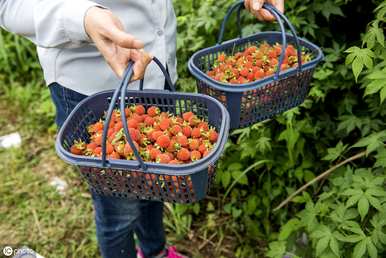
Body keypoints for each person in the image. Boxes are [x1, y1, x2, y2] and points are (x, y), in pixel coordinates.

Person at [0, 0, 284, 257]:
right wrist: (83, 17)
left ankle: (155, 252)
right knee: (118, 211)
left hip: (155, 73)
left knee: (157, 184)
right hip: (91, 85)